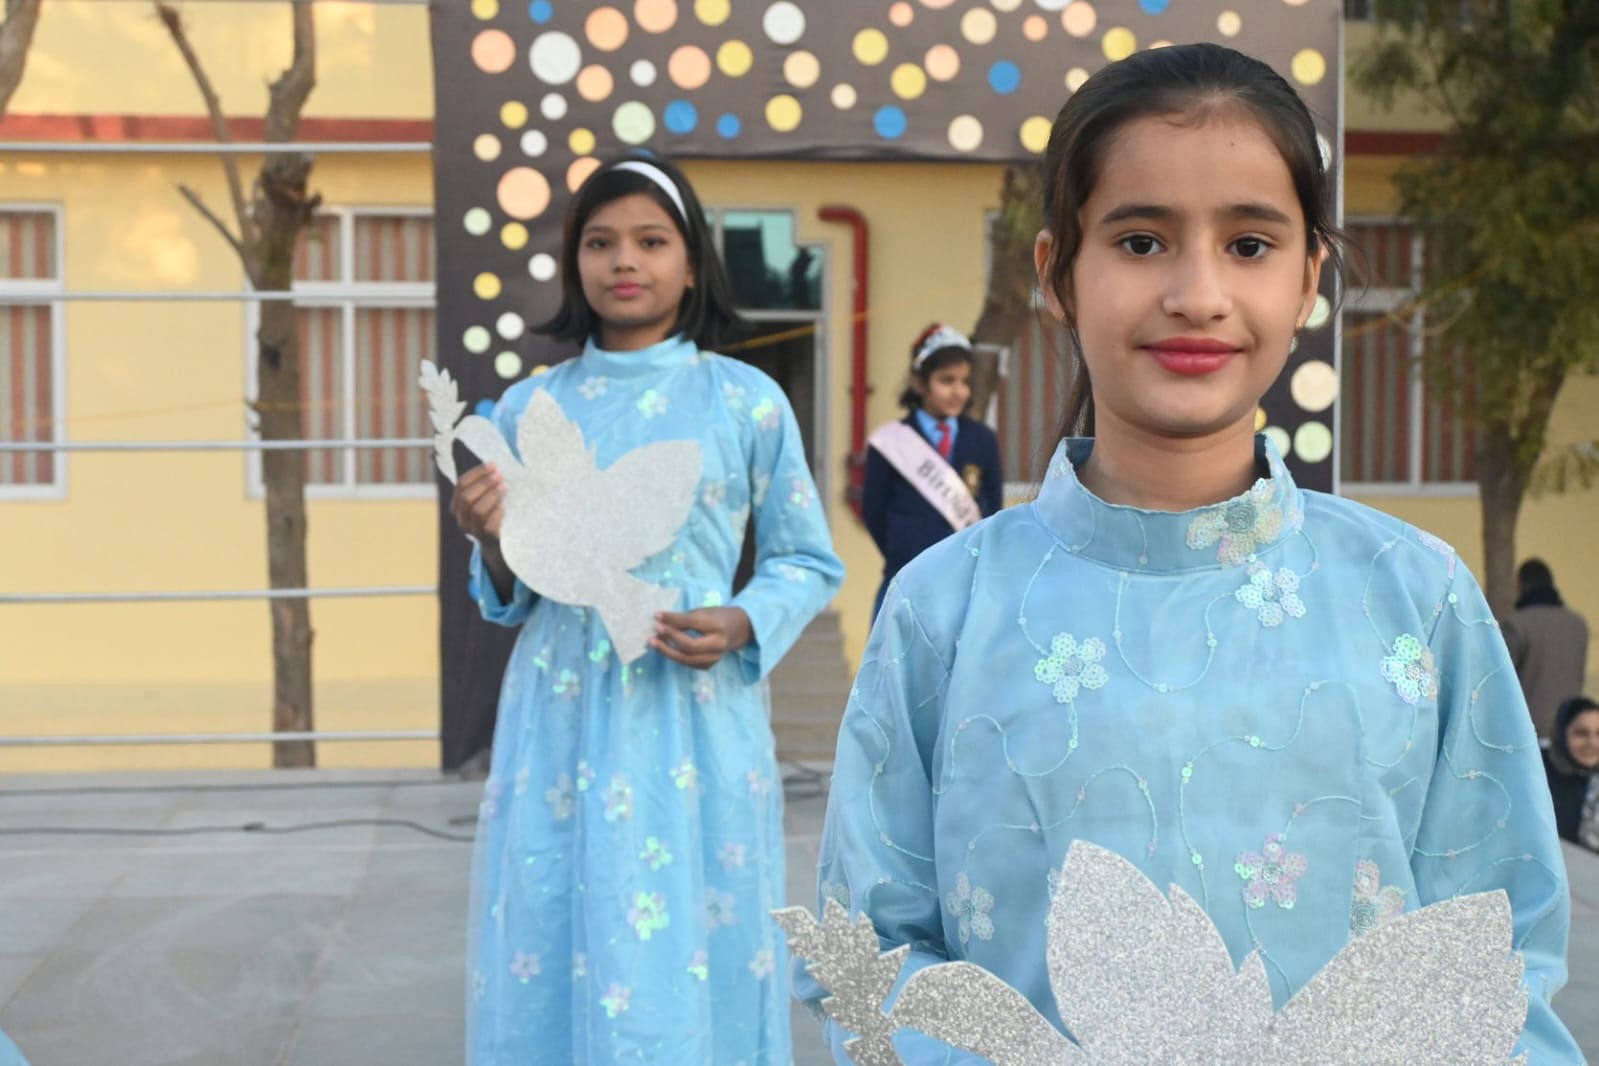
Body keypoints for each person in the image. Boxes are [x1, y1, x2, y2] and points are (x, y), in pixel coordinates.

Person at [801, 43, 1579, 1061]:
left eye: (1250, 244)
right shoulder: (945, 608)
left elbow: (1498, 959)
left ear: (1309, 278)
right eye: (1140, 241)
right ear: (1057, 274)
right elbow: (868, 953)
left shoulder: (1415, 597)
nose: (1198, 293)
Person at [453, 153, 844, 1064]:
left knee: (694, 929)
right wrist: (487, 540)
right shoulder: (529, 407)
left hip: (694, 715)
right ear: (574, 263)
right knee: (552, 912)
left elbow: (804, 558)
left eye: (650, 241)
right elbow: (513, 591)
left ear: (692, 263)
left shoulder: (744, 402)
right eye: (599, 242)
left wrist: (742, 622)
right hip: (559, 717)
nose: (624, 260)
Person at [861, 324, 1003, 618]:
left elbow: (992, 506)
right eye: (946, 380)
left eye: (964, 381)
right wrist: (903, 546)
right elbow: (874, 513)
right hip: (906, 578)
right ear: (919, 383)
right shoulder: (891, 443)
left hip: (965, 584)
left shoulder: (982, 440)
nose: (958, 391)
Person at [1504, 558, 1590, 741]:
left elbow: (1503, 681)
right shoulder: (1578, 625)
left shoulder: (1516, 625)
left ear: (1521, 587)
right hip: (1569, 731)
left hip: (1528, 732)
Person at [1542, 695, 1599, 851]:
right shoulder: (1536, 769)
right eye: (1581, 733)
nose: (1592, 743)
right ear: (1561, 733)